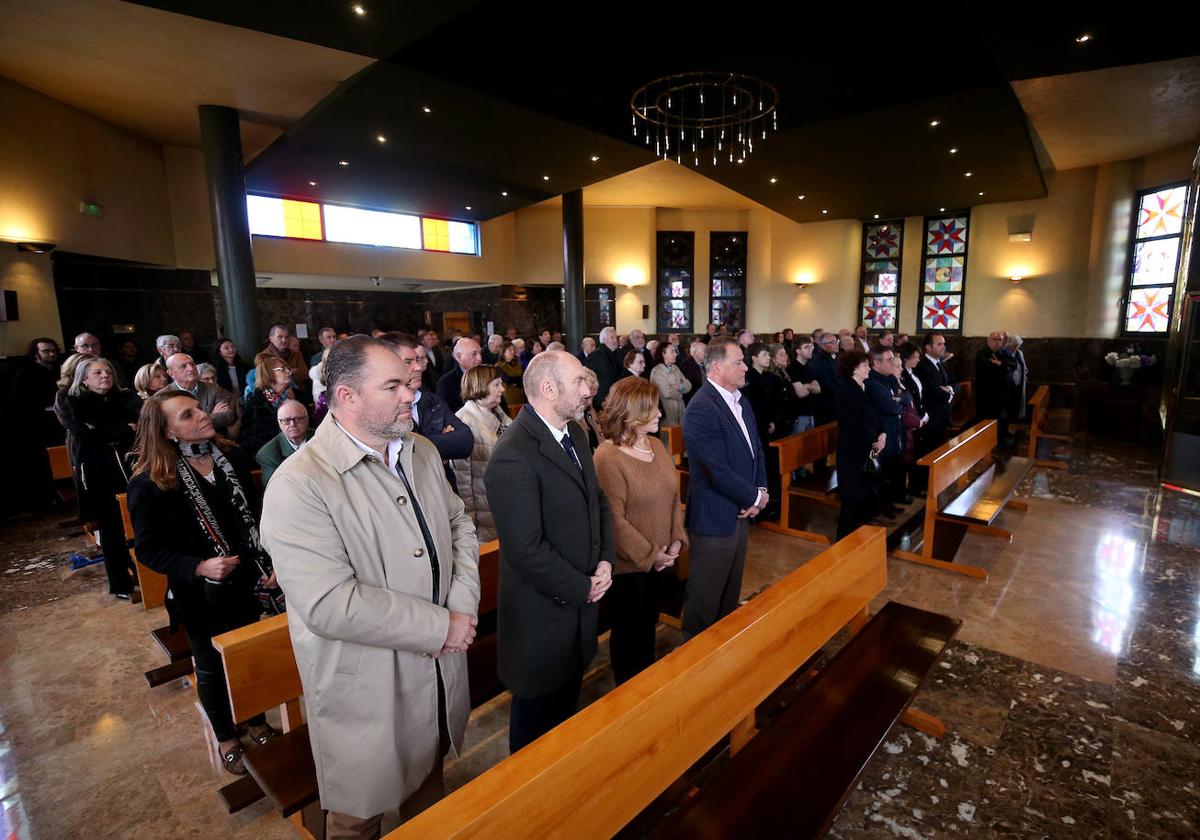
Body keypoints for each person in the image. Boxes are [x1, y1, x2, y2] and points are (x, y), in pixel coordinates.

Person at [260, 336, 479, 838]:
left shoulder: (419, 450)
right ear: (347, 396)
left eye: (409, 381)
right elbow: (329, 604)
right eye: (394, 385)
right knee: (359, 815)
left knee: (430, 792)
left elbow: (458, 525)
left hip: (440, 664)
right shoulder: (300, 483)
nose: (411, 394)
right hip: (368, 685)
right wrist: (442, 626)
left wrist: (461, 606)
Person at [127, 390, 279, 775]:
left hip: (247, 579)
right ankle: (227, 736)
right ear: (168, 433)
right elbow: (148, 550)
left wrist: (272, 559)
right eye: (188, 414)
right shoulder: (151, 482)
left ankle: (257, 719)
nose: (203, 415)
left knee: (249, 656)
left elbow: (259, 515)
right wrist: (199, 567)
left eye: (199, 408)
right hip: (199, 592)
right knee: (211, 666)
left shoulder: (233, 457)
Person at [485, 351, 614, 753]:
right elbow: (525, 549)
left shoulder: (575, 433)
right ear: (547, 388)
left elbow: (599, 502)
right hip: (542, 621)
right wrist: (583, 587)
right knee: (534, 737)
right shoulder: (513, 454)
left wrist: (606, 560)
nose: (587, 388)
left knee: (565, 722)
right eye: (577, 381)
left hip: (578, 607)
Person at [593, 376, 686, 684]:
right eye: (652, 409)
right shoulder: (607, 457)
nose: (660, 414)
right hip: (630, 568)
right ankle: (630, 697)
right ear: (632, 414)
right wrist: (650, 555)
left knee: (648, 627)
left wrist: (675, 540)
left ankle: (647, 686)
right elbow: (614, 520)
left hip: (661, 559)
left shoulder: (656, 445)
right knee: (629, 637)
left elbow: (673, 496)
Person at [681, 337, 767, 640]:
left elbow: (756, 448)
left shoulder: (740, 399)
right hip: (714, 517)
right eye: (739, 362)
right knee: (704, 601)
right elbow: (716, 470)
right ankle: (693, 665)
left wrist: (761, 490)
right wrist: (754, 496)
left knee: (730, 594)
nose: (745, 367)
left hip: (741, 512)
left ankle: (722, 657)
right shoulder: (702, 408)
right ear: (716, 367)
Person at [62, 358, 141, 597]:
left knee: (135, 521)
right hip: (98, 473)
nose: (105, 375)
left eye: (108, 371)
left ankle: (144, 574)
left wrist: (106, 431)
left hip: (128, 467)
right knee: (111, 529)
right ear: (84, 379)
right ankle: (120, 585)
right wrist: (123, 429)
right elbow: (84, 435)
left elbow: (138, 423)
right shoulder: (75, 401)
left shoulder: (122, 397)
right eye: (97, 373)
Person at [389, 335, 474, 492]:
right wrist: (441, 448)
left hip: (444, 489)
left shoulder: (432, 401)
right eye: (409, 362)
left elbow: (465, 441)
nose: (419, 367)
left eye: (419, 360)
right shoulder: (385, 408)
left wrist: (420, 448)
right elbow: (399, 454)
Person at [451, 365, 511, 542]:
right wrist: (470, 526)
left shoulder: (499, 415)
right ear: (481, 385)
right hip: (484, 519)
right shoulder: (465, 422)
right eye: (497, 384)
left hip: (503, 506)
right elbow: (463, 482)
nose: (503, 389)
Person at [8, 337, 64, 513]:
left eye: (53, 350)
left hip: (59, 422)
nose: (51, 354)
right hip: (38, 425)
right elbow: (21, 402)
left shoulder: (59, 370)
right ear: (35, 353)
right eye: (46, 351)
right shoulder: (25, 373)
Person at [835, 350, 886, 539]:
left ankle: (859, 535)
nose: (868, 368)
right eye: (865, 365)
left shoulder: (864, 387)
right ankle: (845, 539)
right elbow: (854, 423)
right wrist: (875, 440)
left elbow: (875, 416)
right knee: (852, 495)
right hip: (853, 451)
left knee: (865, 490)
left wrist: (882, 435)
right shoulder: (847, 390)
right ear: (854, 369)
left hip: (868, 448)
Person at [864, 348, 905, 511]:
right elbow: (890, 406)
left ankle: (888, 504)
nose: (893, 362)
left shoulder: (889, 379)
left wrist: (898, 402)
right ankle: (878, 508)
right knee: (878, 473)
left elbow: (904, 399)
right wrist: (897, 402)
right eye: (889, 360)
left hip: (892, 432)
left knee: (890, 471)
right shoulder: (872, 383)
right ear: (876, 363)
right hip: (879, 435)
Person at [165, 353, 240, 440]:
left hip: (216, 441)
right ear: (171, 373)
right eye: (183, 366)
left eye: (192, 364)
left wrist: (189, 423)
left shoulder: (214, 388)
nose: (191, 368)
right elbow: (168, 429)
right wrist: (211, 416)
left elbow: (229, 416)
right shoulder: (164, 397)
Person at [240, 355, 302, 455]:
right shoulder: (256, 401)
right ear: (269, 374)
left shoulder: (296, 395)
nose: (288, 372)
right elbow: (253, 435)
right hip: (271, 451)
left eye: (287, 368)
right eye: (282, 369)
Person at [255, 399, 313, 485]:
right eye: (286, 420)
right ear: (279, 423)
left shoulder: (323, 437)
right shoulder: (267, 454)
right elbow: (275, 488)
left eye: (298, 419)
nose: (292, 424)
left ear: (307, 419)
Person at [915, 333, 955, 455]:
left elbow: (955, 383)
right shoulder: (922, 366)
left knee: (941, 453)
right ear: (928, 347)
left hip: (943, 416)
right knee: (930, 454)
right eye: (939, 344)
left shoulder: (941, 363)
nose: (943, 347)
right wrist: (950, 394)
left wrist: (949, 388)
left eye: (944, 344)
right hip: (931, 419)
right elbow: (934, 393)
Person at [975, 330, 1011, 443]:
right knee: (987, 419)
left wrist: (999, 364)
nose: (997, 342)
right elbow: (989, 367)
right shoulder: (982, 353)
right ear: (988, 341)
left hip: (1001, 393)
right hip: (986, 394)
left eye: (1000, 340)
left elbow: (1010, 364)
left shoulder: (1002, 353)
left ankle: (999, 439)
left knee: (1001, 418)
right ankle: (987, 442)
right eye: (995, 339)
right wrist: (1000, 365)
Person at [436, 337, 483, 414]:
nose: (479, 358)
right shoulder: (446, 383)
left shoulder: (487, 377)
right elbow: (446, 415)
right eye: (474, 354)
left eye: (480, 353)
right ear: (458, 356)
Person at [649, 342, 691, 428]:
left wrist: (679, 387)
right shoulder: (657, 371)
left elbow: (688, 385)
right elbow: (666, 393)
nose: (676, 354)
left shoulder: (675, 368)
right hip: (667, 413)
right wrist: (680, 393)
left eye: (675, 351)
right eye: (672, 352)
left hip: (681, 412)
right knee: (668, 439)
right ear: (663, 354)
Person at [785, 335, 819, 435]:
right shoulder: (793, 368)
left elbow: (818, 389)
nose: (810, 349)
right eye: (806, 347)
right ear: (798, 351)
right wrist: (810, 386)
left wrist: (807, 386)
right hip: (799, 415)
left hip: (810, 412)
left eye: (811, 346)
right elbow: (800, 393)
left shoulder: (808, 367)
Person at [585, 326, 625, 409]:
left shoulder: (619, 354)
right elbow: (591, 380)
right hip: (603, 400)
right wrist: (601, 401)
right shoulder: (595, 356)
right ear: (604, 339)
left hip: (618, 397)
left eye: (615, 338)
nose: (615, 340)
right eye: (612, 338)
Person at [809, 332, 841, 425]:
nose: (836, 344)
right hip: (826, 405)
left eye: (837, 341)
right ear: (823, 345)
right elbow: (827, 384)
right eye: (833, 342)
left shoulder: (834, 358)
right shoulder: (820, 361)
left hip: (835, 401)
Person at [1007, 335, 1029, 424]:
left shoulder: (1019, 353)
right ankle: (1009, 422)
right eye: (1014, 345)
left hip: (1019, 383)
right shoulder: (1005, 353)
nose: (1016, 348)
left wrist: (1024, 375)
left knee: (1017, 403)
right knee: (1009, 405)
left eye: (1018, 346)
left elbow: (1024, 367)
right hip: (1009, 384)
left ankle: (1014, 421)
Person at [496, 342, 525, 406]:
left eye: (513, 350)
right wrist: (517, 380)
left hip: (520, 394)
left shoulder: (518, 364)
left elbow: (523, 378)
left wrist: (517, 381)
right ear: (503, 352)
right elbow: (507, 380)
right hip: (508, 395)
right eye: (510, 350)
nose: (512, 352)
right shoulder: (499, 366)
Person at [678, 339, 706, 404]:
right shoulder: (687, 365)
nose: (707, 353)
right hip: (694, 399)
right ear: (696, 353)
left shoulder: (705, 363)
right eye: (704, 351)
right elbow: (689, 387)